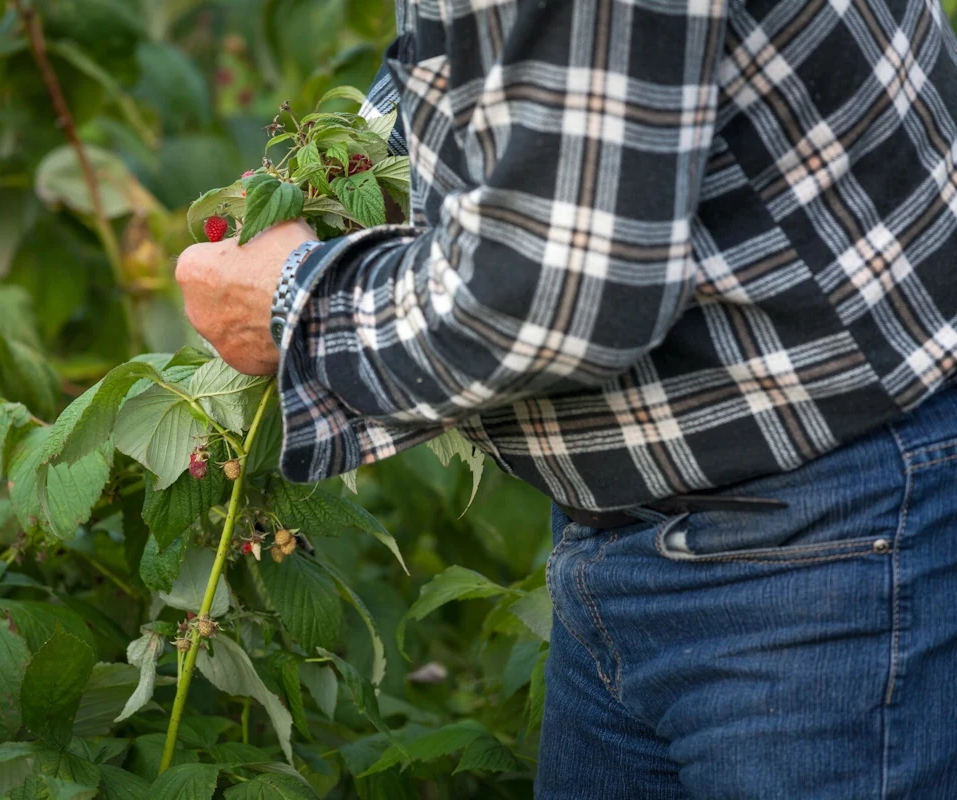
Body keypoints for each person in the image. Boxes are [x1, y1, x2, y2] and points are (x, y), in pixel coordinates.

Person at [175, 0, 957, 794]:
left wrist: (295, 303)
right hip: (641, 534)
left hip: (823, 548)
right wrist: (339, 170)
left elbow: (555, 294)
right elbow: (496, 60)